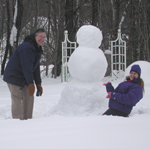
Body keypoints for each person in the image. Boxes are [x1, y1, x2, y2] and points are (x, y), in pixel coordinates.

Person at [3, 28, 46, 120]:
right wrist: (31, 83)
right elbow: (26, 67)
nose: (42, 39)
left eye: (44, 37)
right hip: (14, 76)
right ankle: (18, 121)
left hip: (24, 77)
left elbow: (35, 68)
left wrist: (38, 84)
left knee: (29, 97)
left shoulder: (37, 48)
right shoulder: (27, 47)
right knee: (18, 99)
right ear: (35, 36)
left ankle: (28, 121)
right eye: (40, 36)